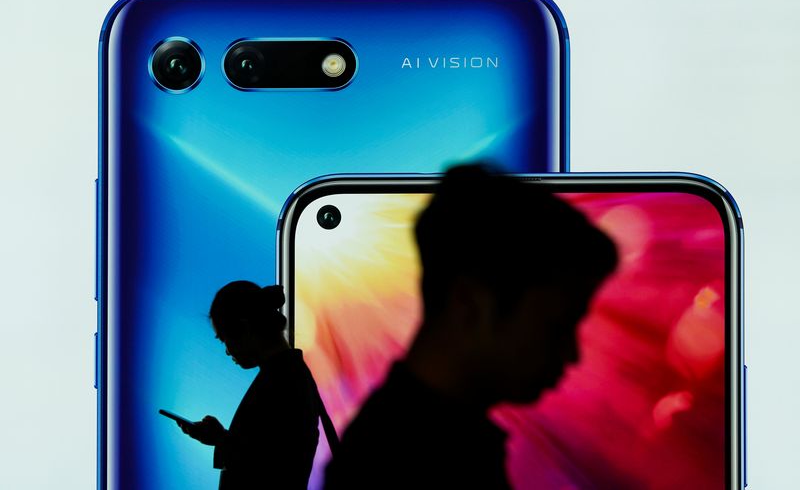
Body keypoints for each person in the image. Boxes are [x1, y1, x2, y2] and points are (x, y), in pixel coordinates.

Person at [324, 164, 619, 490]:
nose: (572, 355)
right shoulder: (402, 464)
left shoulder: (405, 444)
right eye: (557, 326)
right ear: (469, 304)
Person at [176, 282, 322, 489]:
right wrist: (222, 439)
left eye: (224, 339)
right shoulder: (287, 374)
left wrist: (221, 440)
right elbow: (268, 450)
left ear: (244, 327)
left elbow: (273, 467)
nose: (227, 351)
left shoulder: (282, 380)